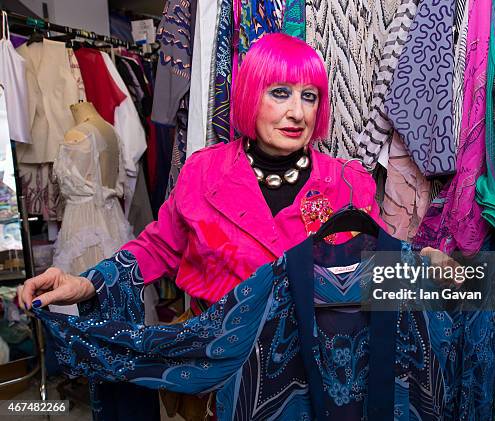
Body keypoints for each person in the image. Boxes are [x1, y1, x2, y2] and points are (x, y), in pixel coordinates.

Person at [17, 33, 456, 419]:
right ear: (250, 96)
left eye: (310, 96)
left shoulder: (346, 183)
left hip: (312, 380)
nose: (297, 112)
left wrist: (421, 262)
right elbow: (154, 249)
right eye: (280, 92)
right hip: (221, 375)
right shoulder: (203, 173)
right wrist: (88, 283)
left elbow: (375, 265)